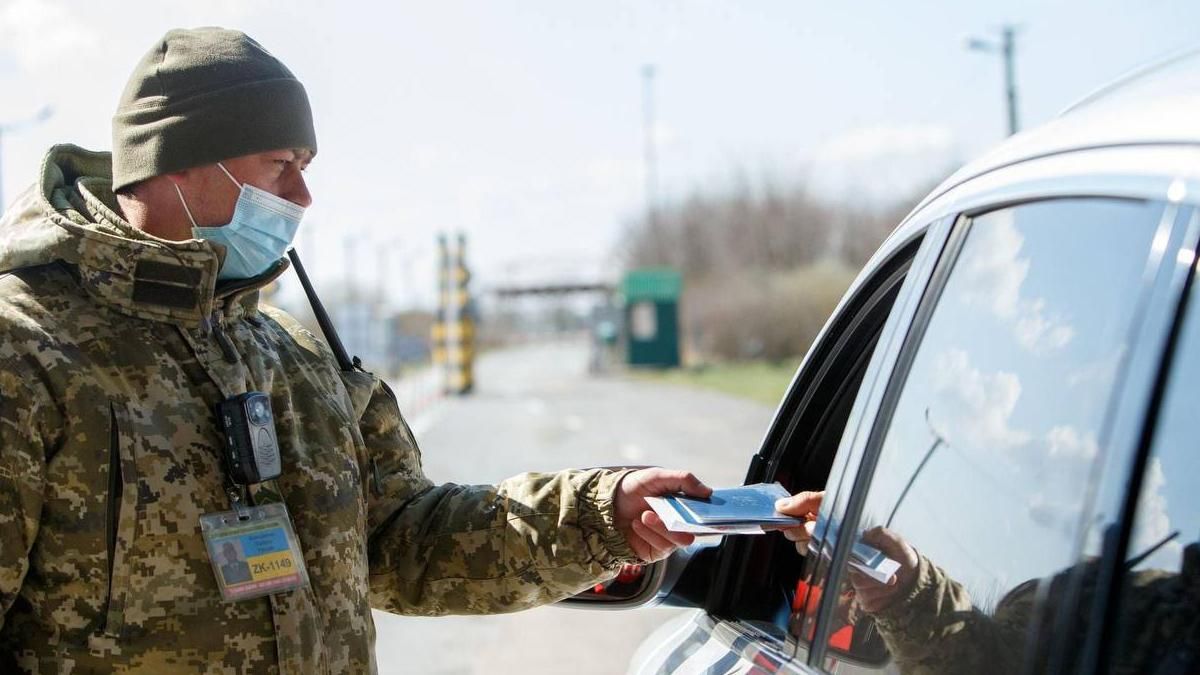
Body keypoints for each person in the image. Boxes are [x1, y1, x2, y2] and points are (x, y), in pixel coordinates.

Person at [0, 27, 709, 673]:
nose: (303, 194)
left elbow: (404, 543)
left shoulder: (296, 358)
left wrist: (601, 514)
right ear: (179, 161)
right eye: (281, 164)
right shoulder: (27, 350)